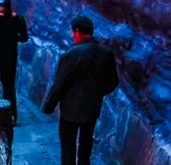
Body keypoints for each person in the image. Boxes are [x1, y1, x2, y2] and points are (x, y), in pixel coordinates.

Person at [42, 16, 119, 165]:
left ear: (77, 31)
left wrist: (48, 106)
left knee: (68, 147)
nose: (72, 36)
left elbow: (60, 84)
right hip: (92, 108)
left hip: (70, 109)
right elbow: (113, 82)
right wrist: (98, 93)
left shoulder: (72, 54)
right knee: (86, 145)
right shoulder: (106, 53)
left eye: (73, 32)